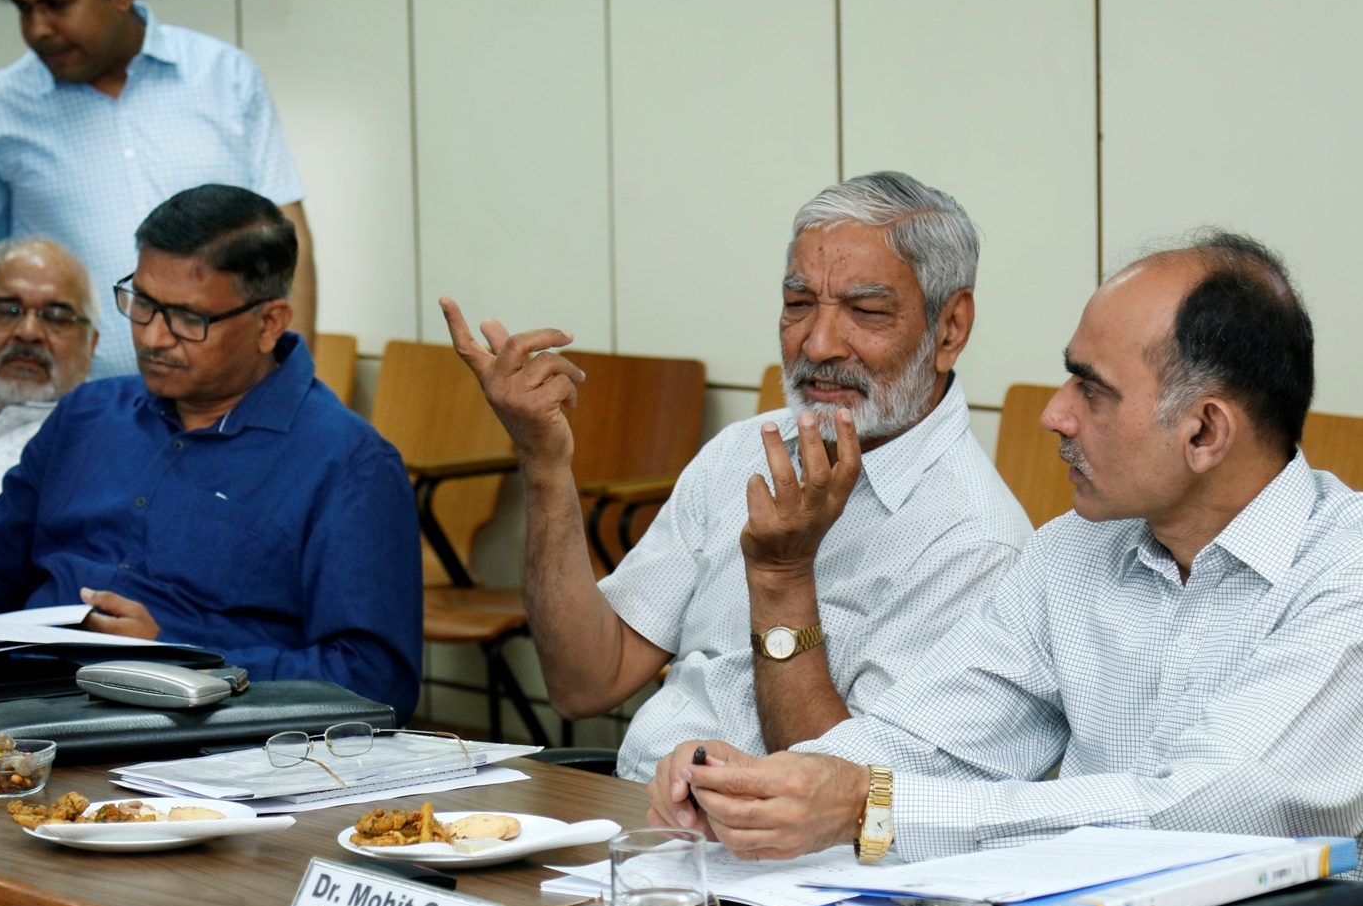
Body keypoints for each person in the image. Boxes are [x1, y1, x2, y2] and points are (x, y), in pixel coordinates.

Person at [646, 232, 1363, 906]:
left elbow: (1207, 813)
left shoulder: (1361, 572)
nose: (1054, 415)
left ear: (1205, 430)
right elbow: (930, 739)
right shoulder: (1073, 551)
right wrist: (764, 784)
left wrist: (867, 804)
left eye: (1090, 390)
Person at [442, 171, 1033, 781]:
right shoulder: (743, 452)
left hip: (768, 838)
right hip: (641, 805)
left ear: (950, 328)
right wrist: (543, 462)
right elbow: (586, 680)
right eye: (798, 304)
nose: (818, 344)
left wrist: (782, 579)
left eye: (866, 311)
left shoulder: (976, 542)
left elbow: (844, 801)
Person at [0, 184, 422, 721]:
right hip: (16, 706)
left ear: (270, 323)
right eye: (142, 303)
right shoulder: (87, 415)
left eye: (189, 318)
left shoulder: (348, 464)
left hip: (194, 731)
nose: (153, 338)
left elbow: (377, 680)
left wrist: (183, 655)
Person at [0, 0, 317, 379]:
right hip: (71, 403)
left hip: (227, 400)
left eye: (57, 4)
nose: (38, 29)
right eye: (24, 9)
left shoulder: (224, 76)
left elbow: (286, 242)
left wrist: (292, 384)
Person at [0, 238, 97, 508]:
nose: (28, 332)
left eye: (55, 316)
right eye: (8, 311)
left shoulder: (94, 440)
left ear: (91, 346)